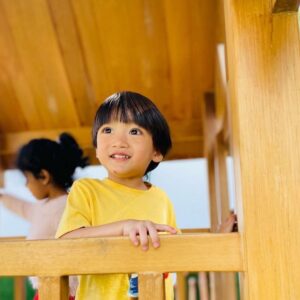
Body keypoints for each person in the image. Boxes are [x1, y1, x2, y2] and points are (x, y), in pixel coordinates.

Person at [56, 91, 178, 300]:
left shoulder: (161, 199)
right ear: (96, 149)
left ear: (156, 151)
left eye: (134, 131)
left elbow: (178, 253)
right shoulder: (86, 190)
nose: (118, 141)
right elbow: (65, 244)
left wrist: (221, 236)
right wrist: (123, 227)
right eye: (108, 130)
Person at [0, 133, 88, 299]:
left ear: (44, 176)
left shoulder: (68, 206)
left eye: (27, 178)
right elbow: (22, 207)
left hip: (65, 291)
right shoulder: (42, 207)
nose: (26, 185)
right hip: (47, 288)